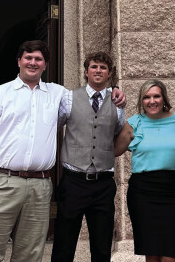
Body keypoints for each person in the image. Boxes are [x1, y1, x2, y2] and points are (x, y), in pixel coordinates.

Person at [0, 41, 125, 262]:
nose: (33, 62)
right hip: (3, 182)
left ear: (45, 65)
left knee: (31, 253)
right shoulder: (0, 94)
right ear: (19, 61)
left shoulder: (59, 94)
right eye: (28, 58)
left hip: (40, 186)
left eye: (38, 59)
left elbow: (95, 96)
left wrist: (116, 91)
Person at [51, 52, 126, 262]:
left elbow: (120, 132)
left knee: (102, 248)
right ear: (86, 71)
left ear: (109, 73)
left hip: (103, 183)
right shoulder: (69, 98)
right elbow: (52, 128)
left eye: (103, 67)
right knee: (64, 245)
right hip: (73, 181)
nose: (98, 71)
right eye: (94, 67)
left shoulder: (118, 103)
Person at [114, 80, 175, 262]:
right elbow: (112, 151)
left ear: (164, 98)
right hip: (143, 193)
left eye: (156, 96)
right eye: (146, 97)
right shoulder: (134, 123)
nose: (152, 101)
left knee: (171, 254)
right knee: (152, 254)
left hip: (173, 191)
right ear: (141, 100)